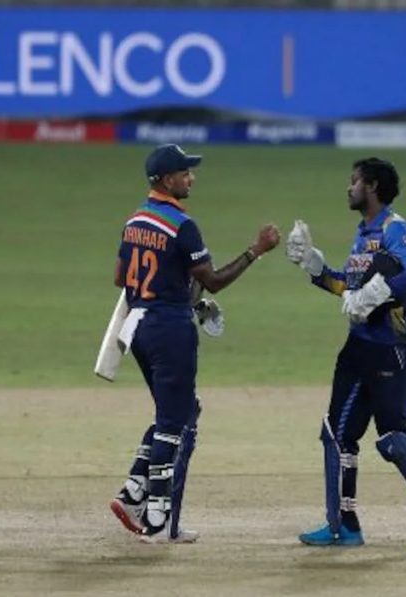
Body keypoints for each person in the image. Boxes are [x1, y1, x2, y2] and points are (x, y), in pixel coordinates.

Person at [286, 157, 406, 549]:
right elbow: (351, 293)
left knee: (393, 438)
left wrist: (382, 291)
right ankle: (344, 525)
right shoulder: (363, 234)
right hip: (360, 346)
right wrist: (314, 267)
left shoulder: (393, 228)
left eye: (354, 181)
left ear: (371, 186)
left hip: (389, 348)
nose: (348, 187)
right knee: (339, 435)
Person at [108, 144, 280, 543]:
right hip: (170, 328)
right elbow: (214, 279)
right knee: (174, 422)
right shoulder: (182, 225)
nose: (192, 178)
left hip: (137, 328)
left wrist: (178, 287)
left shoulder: (135, 220)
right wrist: (257, 250)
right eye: (185, 173)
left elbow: (120, 277)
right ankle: (155, 518)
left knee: (179, 411)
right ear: (167, 179)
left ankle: (134, 490)